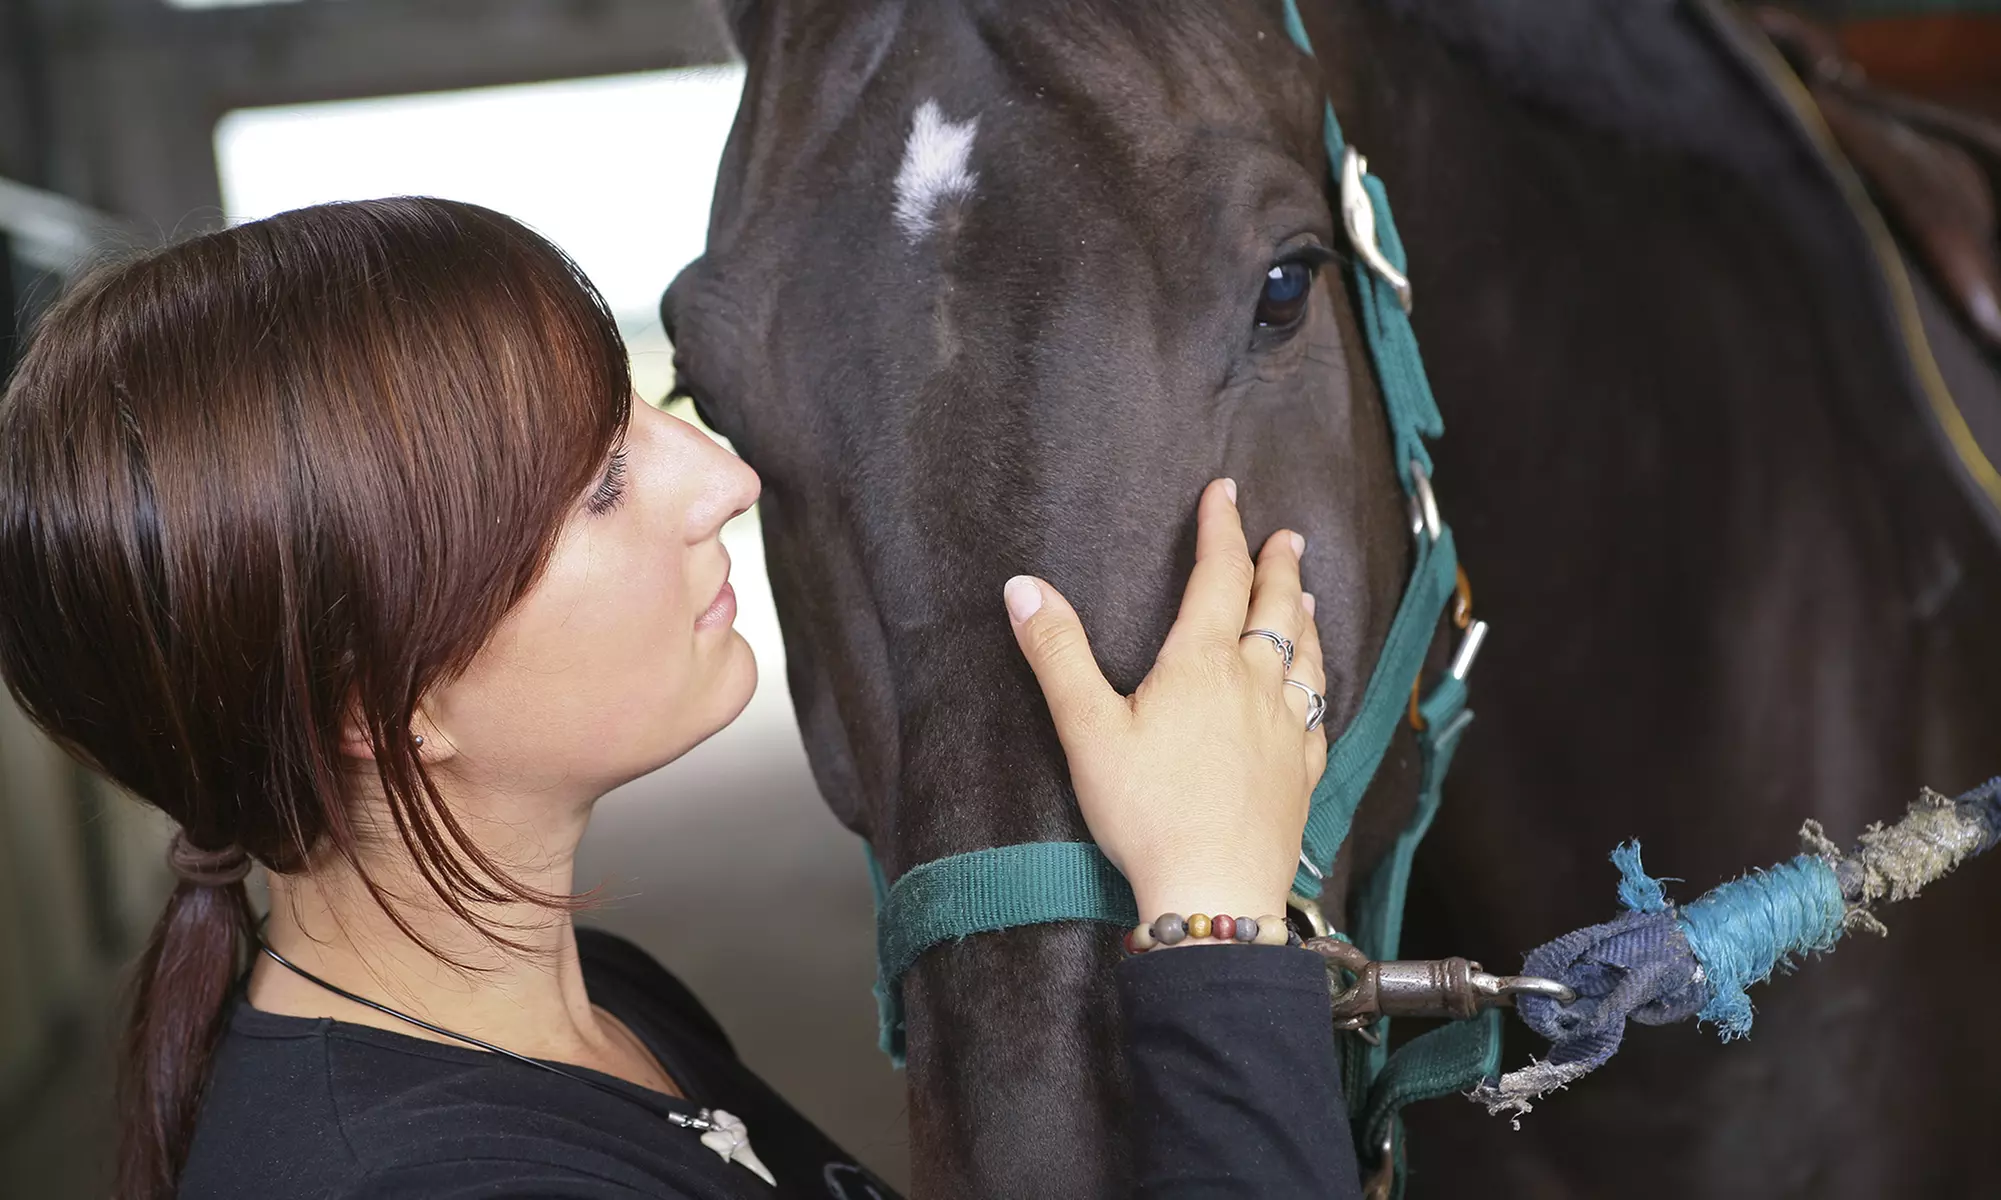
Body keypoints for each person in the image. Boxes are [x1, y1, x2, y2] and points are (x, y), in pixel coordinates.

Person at [0, 197, 1358, 1199]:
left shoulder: (590, 1007)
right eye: (599, 484)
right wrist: (1213, 918)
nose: (722, 480)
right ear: (382, 705)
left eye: (647, 407)